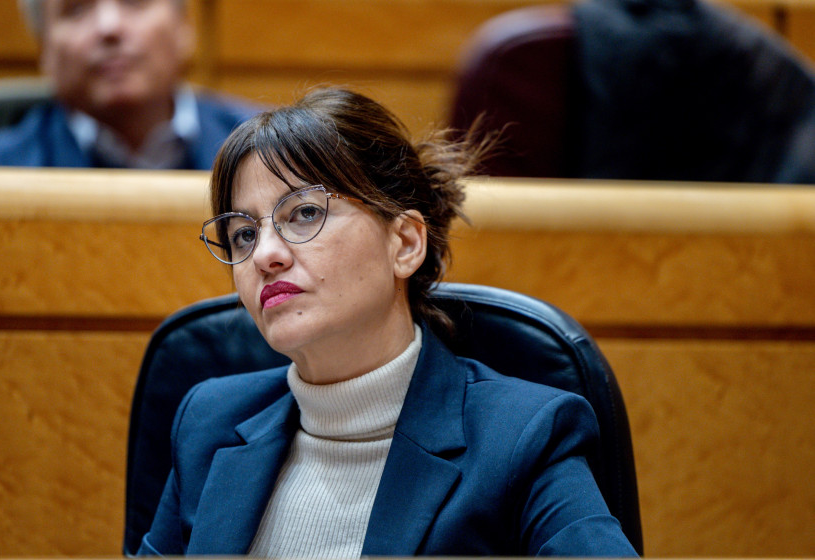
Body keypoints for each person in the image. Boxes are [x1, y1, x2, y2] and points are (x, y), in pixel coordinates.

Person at [137, 87, 638, 557]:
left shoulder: (524, 437)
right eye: (243, 235)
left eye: (305, 213)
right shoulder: (209, 424)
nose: (265, 254)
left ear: (405, 244)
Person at [0, 0, 261, 169]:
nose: (109, 27)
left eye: (133, 2)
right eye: (77, 9)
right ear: (44, 49)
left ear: (183, 27)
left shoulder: (277, 153)